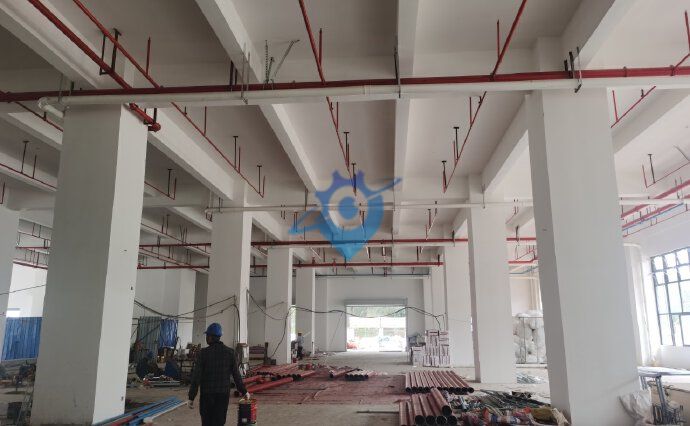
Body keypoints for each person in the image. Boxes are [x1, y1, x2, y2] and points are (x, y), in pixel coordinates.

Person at [188, 323, 249, 426]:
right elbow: (236, 375)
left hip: (207, 395)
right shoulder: (230, 353)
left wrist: (191, 397)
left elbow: (196, 377)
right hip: (223, 395)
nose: (206, 338)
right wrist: (244, 391)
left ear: (210, 337)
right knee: (219, 422)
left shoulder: (203, 353)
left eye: (207, 336)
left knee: (207, 422)